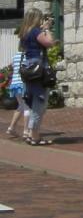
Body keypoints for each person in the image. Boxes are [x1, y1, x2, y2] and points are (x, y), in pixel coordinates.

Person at [19, 9, 55, 146]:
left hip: (29, 70)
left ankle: (30, 133)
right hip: (38, 70)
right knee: (39, 103)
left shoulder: (24, 32)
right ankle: (35, 137)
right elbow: (49, 43)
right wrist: (47, 30)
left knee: (33, 100)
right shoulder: (35, 32)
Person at [6, 44, 30, 139]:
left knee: (21, 106)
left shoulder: (15, 56)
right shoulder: (27, 56)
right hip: (23, 83)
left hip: (14, 84)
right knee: (27, 107)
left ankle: (11, 128)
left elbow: (11, 66)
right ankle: (26, 131)